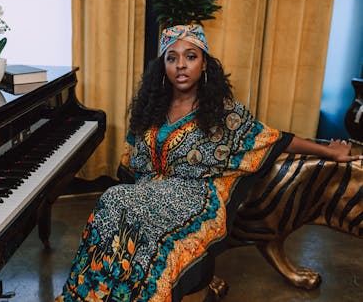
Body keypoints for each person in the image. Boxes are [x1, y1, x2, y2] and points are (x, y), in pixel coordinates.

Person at [54, 24, 362, 302]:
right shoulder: (152, 108)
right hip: (151, 191)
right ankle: (93, 293)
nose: (181, 65)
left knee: (122, 205)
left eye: (190, 56)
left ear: (204, 65)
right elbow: (135, 160)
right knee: (113, 201)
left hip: (195, 195)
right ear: (163, 67)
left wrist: (329, 152)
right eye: (172, 58)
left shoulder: (223, 112)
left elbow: (273, 138)